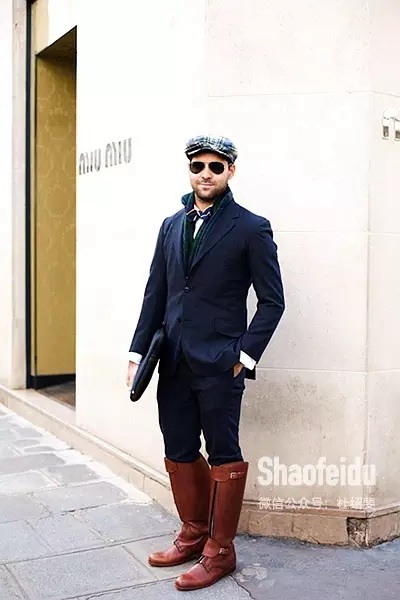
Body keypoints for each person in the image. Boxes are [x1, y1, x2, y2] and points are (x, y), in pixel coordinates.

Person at [126, 135, 285, 591]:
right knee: (177, 447)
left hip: (220, 363)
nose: (206, 174)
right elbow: (156, 292)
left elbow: (272, 302)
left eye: (217, 166)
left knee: (223, 452)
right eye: (199, 166)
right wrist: (138, 353)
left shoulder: (251, 227)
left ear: (231, 171)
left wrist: (243, 357)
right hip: (173, 360)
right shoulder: (171, 225)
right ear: (190, 170)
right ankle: (193, 532)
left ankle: (221, 550)